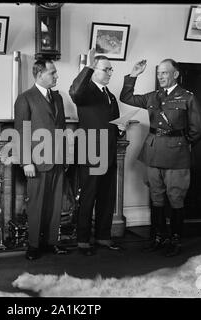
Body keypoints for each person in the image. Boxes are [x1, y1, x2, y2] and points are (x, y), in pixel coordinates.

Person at [120, 58, 201, 257]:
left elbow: (198, 128)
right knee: (156, 196)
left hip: (176, 155)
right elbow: (126, 97)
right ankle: (158, 237)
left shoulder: (187, 97)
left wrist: (182, 143)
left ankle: (175, 239)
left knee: (176, 198)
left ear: (175, 74)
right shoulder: (153, 96)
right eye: (159, 73)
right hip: (153, 152)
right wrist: (133, 75)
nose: (161, 77)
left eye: (165, 73)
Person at [69, 48, 125, 256]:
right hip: (91, 154)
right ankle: (83, 241)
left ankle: (103, 236)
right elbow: (74, 92)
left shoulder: (110, 95)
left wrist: (120, 129)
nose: (110, 73)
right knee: (88, 197)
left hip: (109, 154)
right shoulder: (86, 91)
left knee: (106, 197)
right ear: (94, 70)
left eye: (111, 69)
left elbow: (113, 122)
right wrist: (89, 67)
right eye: (106, 69)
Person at [14, 59, 70, 260]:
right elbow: (21, 132)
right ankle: (34, 245)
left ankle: (52, 242)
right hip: (36, 161)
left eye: (55, 73)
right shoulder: (25, 98)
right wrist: (26, 161)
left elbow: (61, 129)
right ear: (39, 75)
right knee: (37, 204)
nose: (56, 76)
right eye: (52, 73)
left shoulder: (58, 98)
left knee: (55, 204)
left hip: (57, 159)